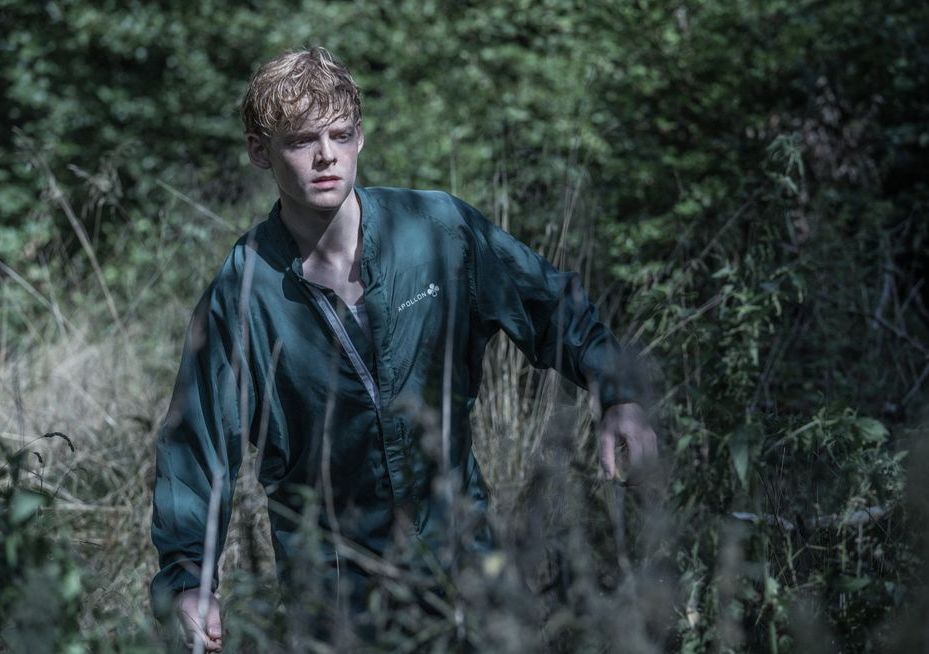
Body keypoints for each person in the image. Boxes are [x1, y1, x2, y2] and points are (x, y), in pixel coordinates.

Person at [150, 46, 658, 651]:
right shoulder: (243, 289)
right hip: (333, 594)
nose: (326, 155)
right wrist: (189, 579)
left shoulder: (435, 229)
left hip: (462, 560)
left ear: (360, 138)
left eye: (340, 135)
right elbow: (198, 443)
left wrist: (617, 393)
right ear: (260, 151)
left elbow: (551, 304)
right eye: (302, 140)